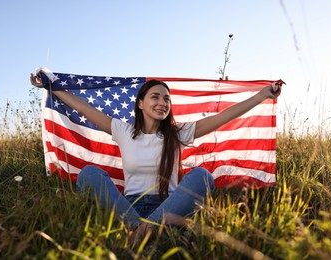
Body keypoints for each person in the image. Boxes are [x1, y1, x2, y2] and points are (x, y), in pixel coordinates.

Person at [30, 72, 283, 240]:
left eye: (167, 99)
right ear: (140, 103)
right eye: (156, 97)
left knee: (202, 176)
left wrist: (263, 94)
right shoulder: (123, 130)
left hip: (169, 207)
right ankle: (146, 232)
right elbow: (82, 107)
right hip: (127, 207)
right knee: (89, 174)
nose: (163, 102)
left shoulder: (178, 133)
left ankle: (139, 233)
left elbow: (223, 117)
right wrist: (50, 86)